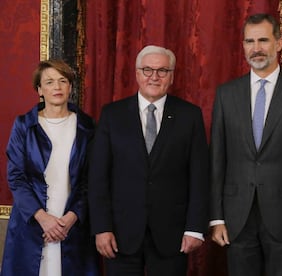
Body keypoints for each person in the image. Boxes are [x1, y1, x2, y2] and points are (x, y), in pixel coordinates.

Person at [210, 13, 282, 276]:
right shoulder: (226, 94)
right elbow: (217, 158)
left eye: (263, 40)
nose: (256, 48)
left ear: (280, 43)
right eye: (249, 41)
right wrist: (216, 217)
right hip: (237, 218)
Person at [88, 45, 209, 276]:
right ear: (136, 73)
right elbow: (98, 177)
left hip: (172, 235)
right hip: (120, 235)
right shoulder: (112, 115)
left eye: (162, 70)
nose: (154, 76)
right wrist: (102, 228)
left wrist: (195, 229)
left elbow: (199, 176)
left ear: (171, 76)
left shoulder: (189, 115)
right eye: (147, 70)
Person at [1, 59, 98, 276]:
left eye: (63, 81)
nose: (57, 87)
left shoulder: (87, 126)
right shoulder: (24, 125)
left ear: (70, 87)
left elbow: (91, 179)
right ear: (40, 90)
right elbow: (16, 177)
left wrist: (71, 218)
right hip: (31, 223)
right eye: (50, 82)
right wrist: (43, 218)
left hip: (72, 225)